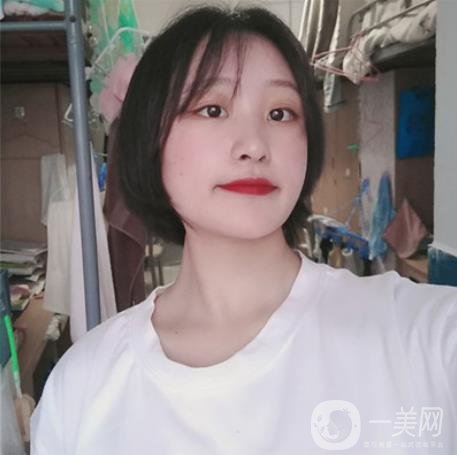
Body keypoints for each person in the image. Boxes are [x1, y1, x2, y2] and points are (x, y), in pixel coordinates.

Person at [31, 5, 456, 454]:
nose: (254, 145)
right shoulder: (82, 388)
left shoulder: (421, 337)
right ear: (150, 137)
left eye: (281, 114)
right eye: (213, 109)